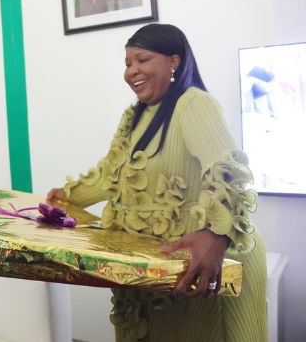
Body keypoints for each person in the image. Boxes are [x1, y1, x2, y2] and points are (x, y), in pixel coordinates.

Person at [47, 24, 267, 341]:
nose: (131, 71)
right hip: (157, 259)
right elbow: (111, 173)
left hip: (205, 258)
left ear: (173, 61)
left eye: (142, 59)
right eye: (127, 63)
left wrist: (215, 235)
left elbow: (227, 170)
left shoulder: (193, 103)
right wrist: (64, 197)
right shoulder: (135, 115)